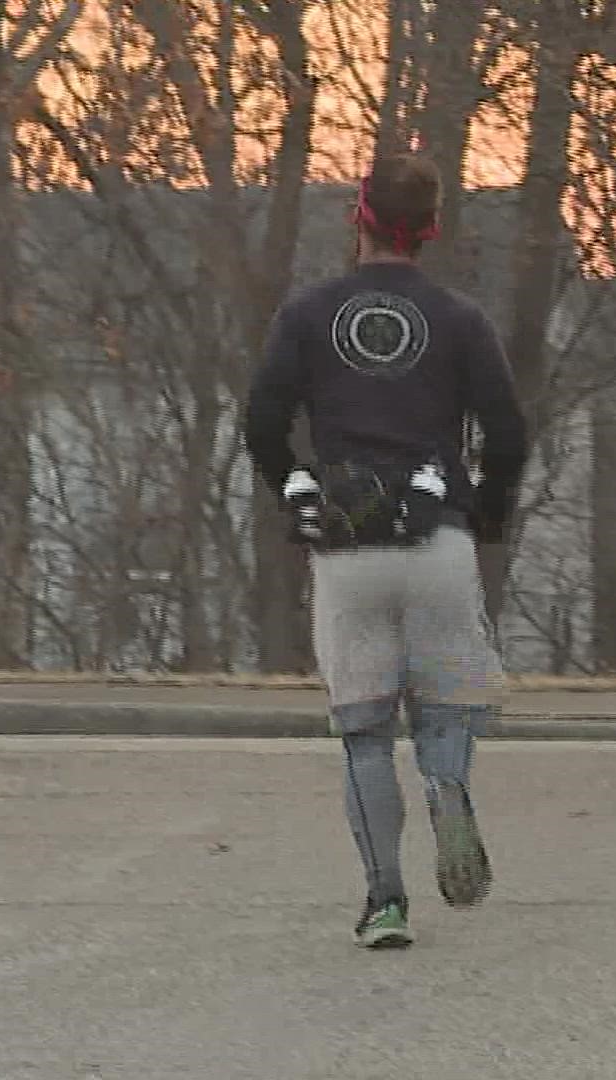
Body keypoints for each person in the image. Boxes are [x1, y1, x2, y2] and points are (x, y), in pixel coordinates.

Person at [244, 153, 529, 949]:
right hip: (437, 539)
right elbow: (507, 433)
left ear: (357, 219)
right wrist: (490, 514)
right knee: (446, 709)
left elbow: (262, 422)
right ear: (431, 230)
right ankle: (447, 783)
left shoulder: (307, 315)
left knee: (365, 732)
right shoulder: (461, 320)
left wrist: (295, 486)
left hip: (348, 544)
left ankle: (384, 903)